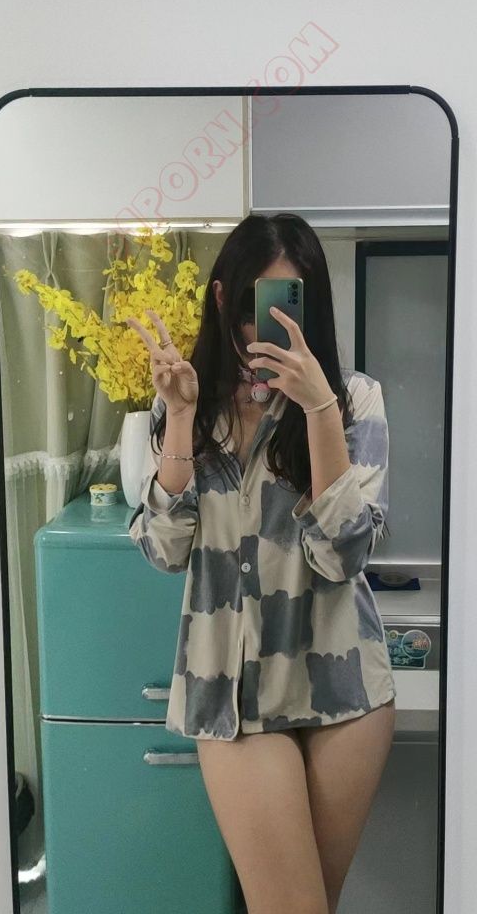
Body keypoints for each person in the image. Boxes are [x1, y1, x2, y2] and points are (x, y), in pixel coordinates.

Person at [126, 212, 396, 914]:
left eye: (287, 303)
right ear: (223, 297)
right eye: (254, 302)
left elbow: (342, 556)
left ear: (313, 305)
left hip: (343, 687)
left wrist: (320, 410)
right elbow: (164, 549)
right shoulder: (188, 406)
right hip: (232, 691)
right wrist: (179, 418)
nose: (266, 325)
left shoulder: (354, 400)